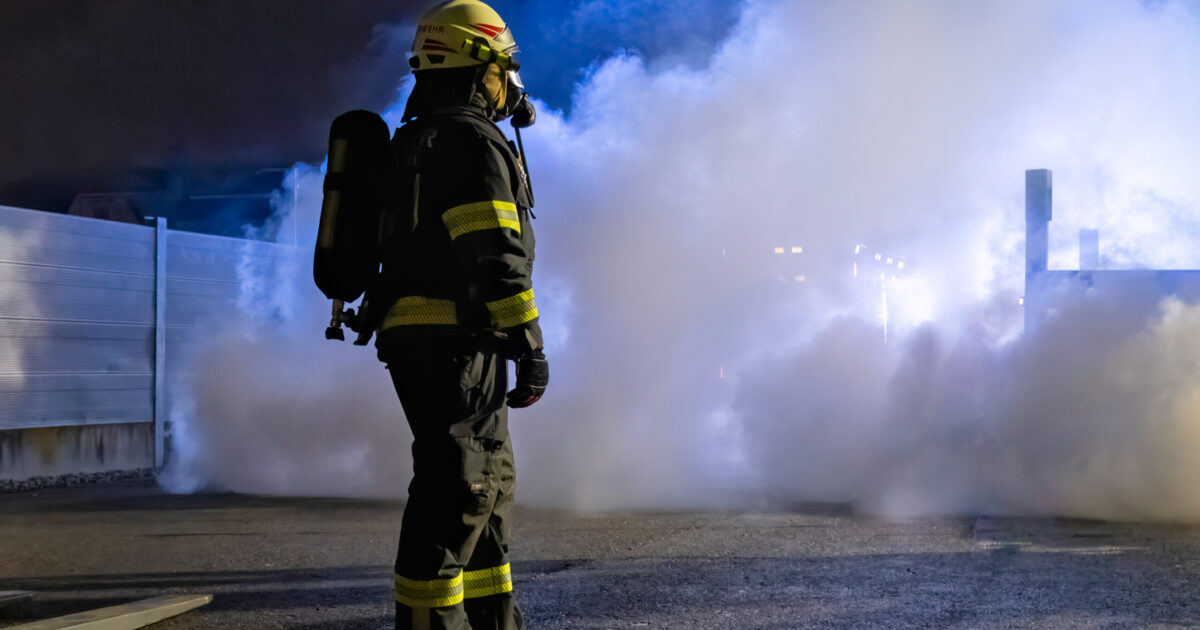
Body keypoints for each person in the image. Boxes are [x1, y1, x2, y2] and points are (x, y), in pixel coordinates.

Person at [372, 1, 547, 628]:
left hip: (443, 341)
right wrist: (531, 345)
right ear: (481, 69)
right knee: (457, 494)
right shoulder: (472, 143)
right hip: (457, 344)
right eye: (506, 70)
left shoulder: (416, 140)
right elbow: (498, 257)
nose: (511, 87)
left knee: (487, 487)